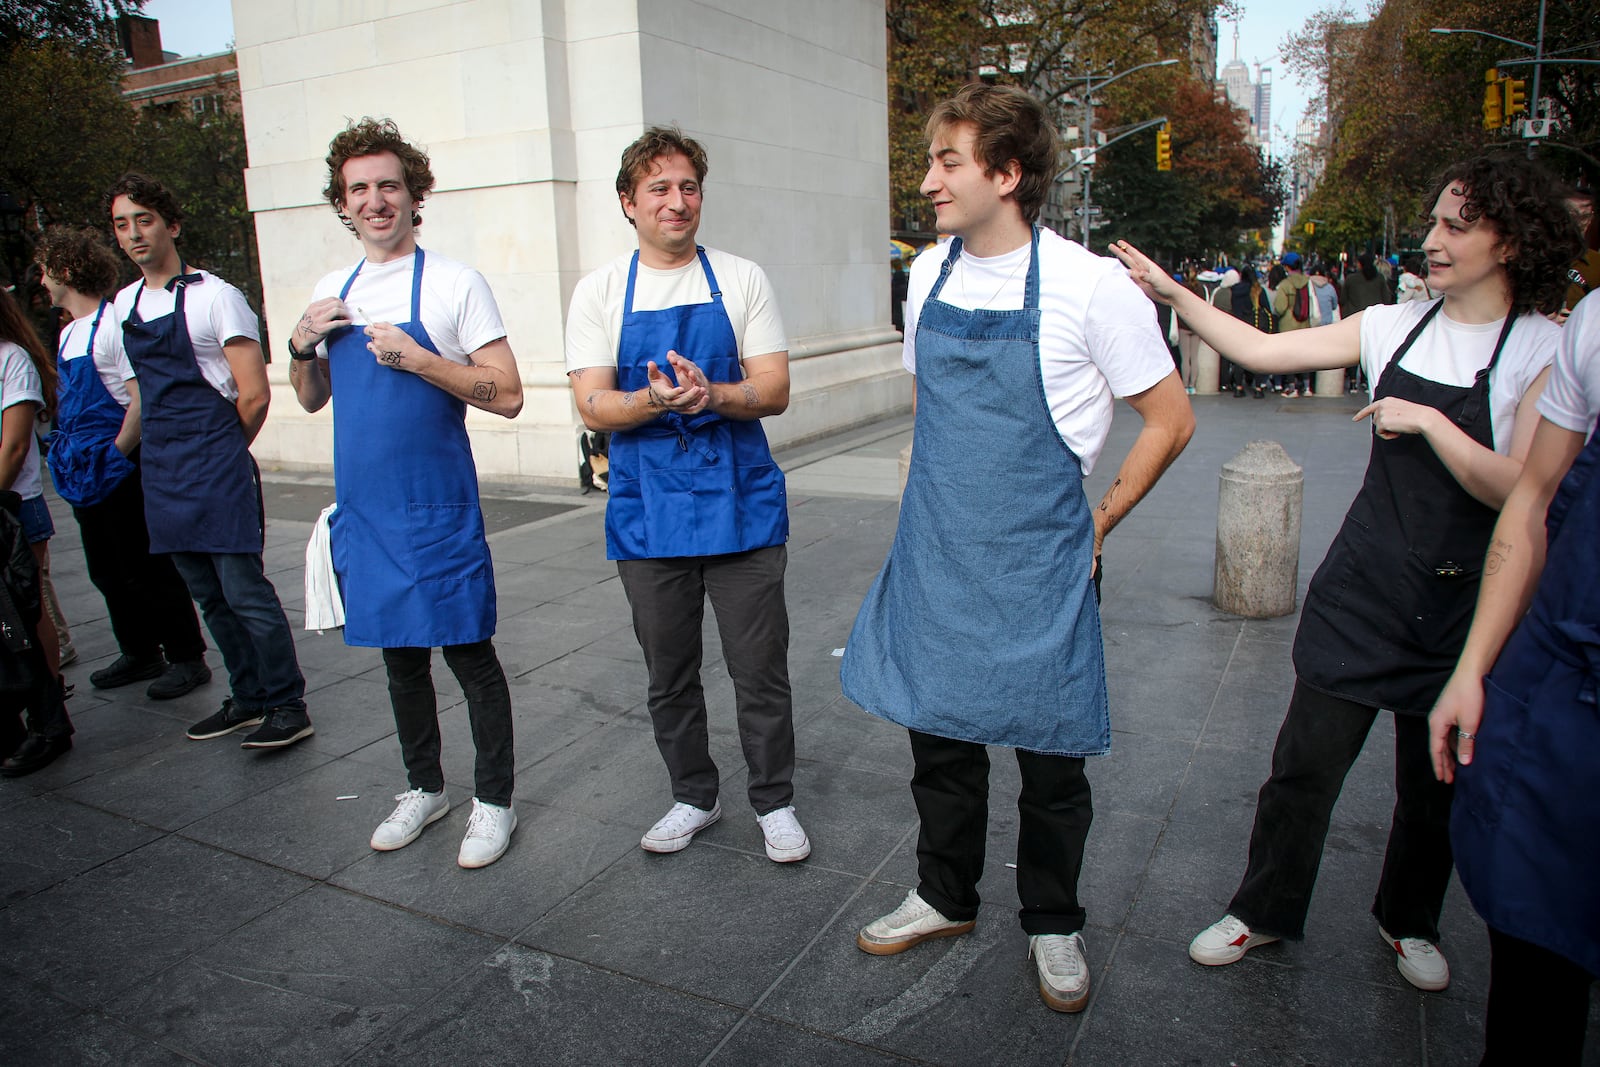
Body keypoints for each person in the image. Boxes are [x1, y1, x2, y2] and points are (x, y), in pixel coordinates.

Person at [1112, 150, 1579, 993]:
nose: (1432, 241)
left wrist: (1433, 424)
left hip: (1464, 605)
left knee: (1431, 786)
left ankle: (1410, 920)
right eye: (1434, 222)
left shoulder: (1548, 345)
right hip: (1363, 589)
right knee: (1302, 768)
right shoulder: (1394, 323)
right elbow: (1258, 349)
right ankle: (1263, 908)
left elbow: (1526, 487)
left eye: (1453, 226)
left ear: (1507, 241)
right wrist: (1175, 296)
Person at [842, 84, 1194, 1014]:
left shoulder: (1089, 286)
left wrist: (1102, 518)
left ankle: (1053, 921)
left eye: (946, 162)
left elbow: (1171, 416)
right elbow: (932, 407)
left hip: (1043, 559)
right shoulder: (928, 276)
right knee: (940, 742)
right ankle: (944, 894)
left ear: (1006, 173)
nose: (927, 181)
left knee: (1052, 754)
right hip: (940, 551)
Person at [565, 126, 808, 864]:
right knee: (668, 674)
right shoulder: (601, 292)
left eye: (689, 187)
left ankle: (775, 801)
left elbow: (775, 389)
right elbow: (592, 406)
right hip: (648, 514)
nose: (678, 202)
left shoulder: (740, 278)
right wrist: (656, 401)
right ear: (627, 203)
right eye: (660, 189)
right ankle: (693, 795)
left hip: (743, 508)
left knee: (758, 669)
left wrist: (713, 393)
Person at [288, 119, 524, 869]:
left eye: (389, 184)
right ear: (343, 203)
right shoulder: (333, 292)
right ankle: (425, 786)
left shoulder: (455, 283)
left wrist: (421, 359)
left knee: (470, 658)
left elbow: (509, 394)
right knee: (399, 662)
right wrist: (299, 347)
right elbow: (309, 398)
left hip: (437, 507)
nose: (375, 199)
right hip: (368, 511)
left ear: (414, 193)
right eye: (359, 188)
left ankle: (494, 801)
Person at [1429, 289, 1600, 1066]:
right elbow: (1533, 496)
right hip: (1563, 681)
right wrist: (1475, 666)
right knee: (1536, 947)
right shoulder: (1595, 322)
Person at [102, 174, 312, 749]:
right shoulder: (124, 306)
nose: (133, 233)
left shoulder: (215, 297)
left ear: (171, 225)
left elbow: (254, 393)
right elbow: (141, 394)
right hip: (162, 470)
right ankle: (247, 698)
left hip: (215, 462)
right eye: (122, 224)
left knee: (245, 592)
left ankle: (288, 703)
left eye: (144, 219)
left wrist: (220, 453)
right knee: (207, 595)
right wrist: (116, 456)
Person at [35, 226, 212, 701]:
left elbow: (139, 401)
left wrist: (114, 457)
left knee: (148, 566)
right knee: (107, 570)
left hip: (119, 468)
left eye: (46, 270)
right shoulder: (70, 331)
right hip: (85, 473)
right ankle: (138, 650)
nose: (41, 282)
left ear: (67, 271)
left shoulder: (113, 325)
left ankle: (185, 656)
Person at [0, 289, 72, 776]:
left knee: (29, 613)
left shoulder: (11, 360)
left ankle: (50, 721)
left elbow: (15, 444)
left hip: (14, 508)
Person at [1225, 265, 1274, 397]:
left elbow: (1233, 307)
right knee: (1258, 357)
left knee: (1239, 358)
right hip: (1255, 326)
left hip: (1239, 325)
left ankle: (1238, 387)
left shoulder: (1235, 290)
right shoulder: (1258, 290)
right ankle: (1258, 389)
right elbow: (1267, 308)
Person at [1271, 252, 1313, 396]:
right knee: (1304, 356)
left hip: (1288, 326)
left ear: (1287, 267)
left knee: (1289, 358)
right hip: (1305, 324)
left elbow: (1280, 308)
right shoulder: (1308, 282)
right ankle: (1307, 387)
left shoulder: (1284, 284)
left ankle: (1291, 387)